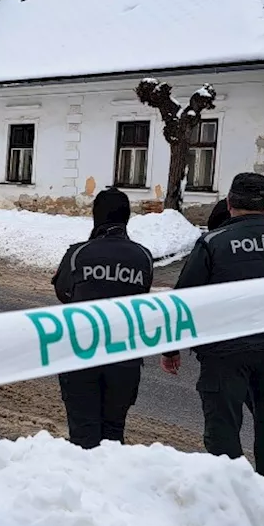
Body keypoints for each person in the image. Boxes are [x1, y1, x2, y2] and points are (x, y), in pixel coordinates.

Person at [162, 172, 264, 493]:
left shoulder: (213, 243)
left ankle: (229, 498)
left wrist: (171, 348)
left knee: (223, 424)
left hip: (224, 351)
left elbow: (183, 300)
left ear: (229, 203)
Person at [50, 188, 155, 449]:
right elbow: (142, 294)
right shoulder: (143, 257)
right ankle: (108, 485)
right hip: (124, 358)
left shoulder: (78, 254)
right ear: (127, 218)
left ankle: (86, 486)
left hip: (80, 355)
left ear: (96, 216)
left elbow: (63, 293)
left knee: (83, 435)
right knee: (113, 434)